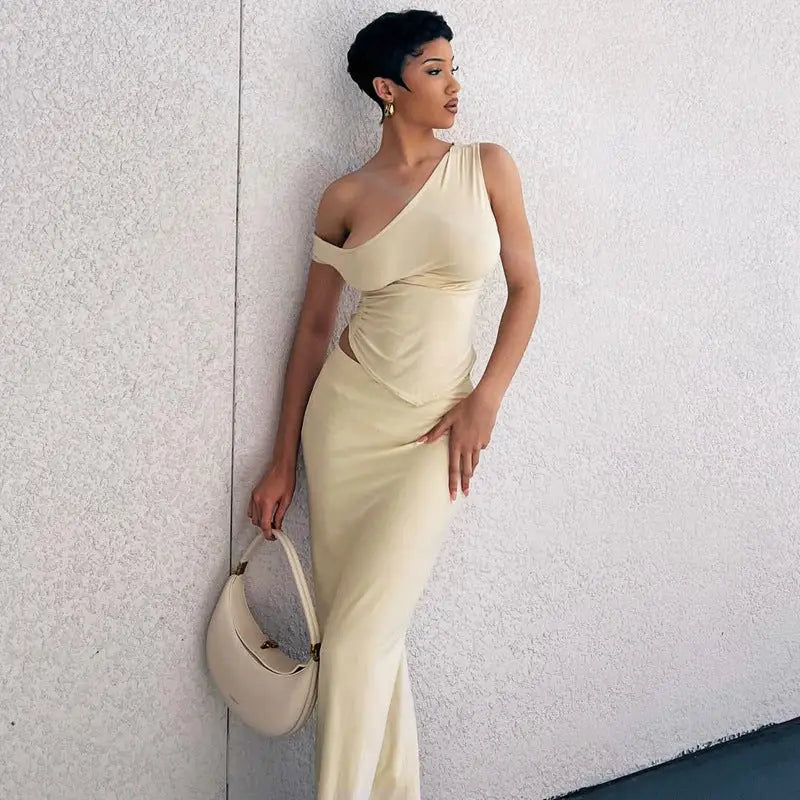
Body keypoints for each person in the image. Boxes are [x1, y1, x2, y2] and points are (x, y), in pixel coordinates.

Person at [248, 9, 540, 799]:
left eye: (454, 67)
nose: (455, 85)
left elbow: (525, 290)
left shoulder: (488, 166)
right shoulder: (345, 195)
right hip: (345, 429)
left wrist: (487, 400)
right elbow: (313, 328)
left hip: (437, 430)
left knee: (360, 639)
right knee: (368, 640)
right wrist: (283, 463)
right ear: (387, 88)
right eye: (434, 71)